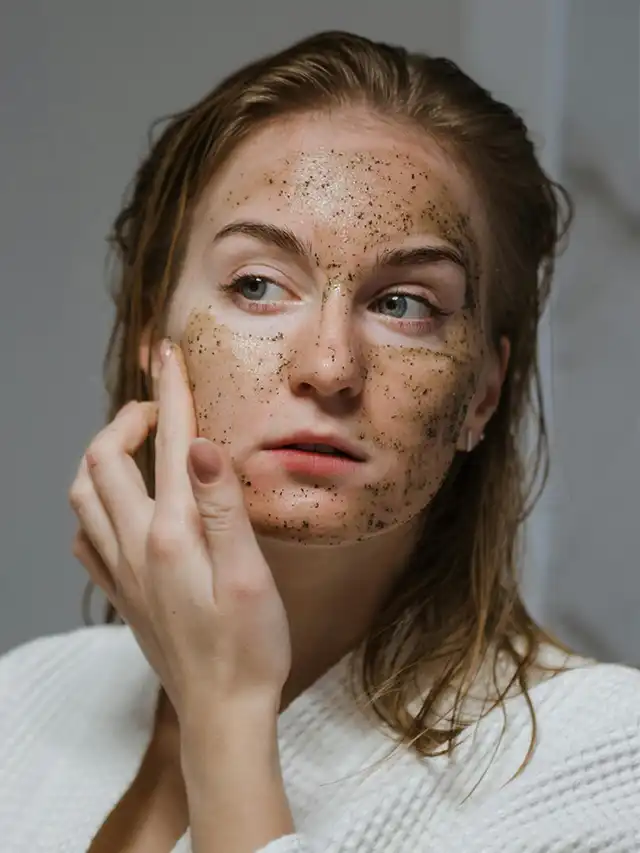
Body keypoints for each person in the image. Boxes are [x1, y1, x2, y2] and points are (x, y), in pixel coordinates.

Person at [1, 29, 638, 853]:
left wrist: (226, 716)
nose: (330, 365)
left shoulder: (599, 764)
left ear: (483, 388)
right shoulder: (25, 699)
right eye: (258, 285)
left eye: (405, 303)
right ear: (151, 339)